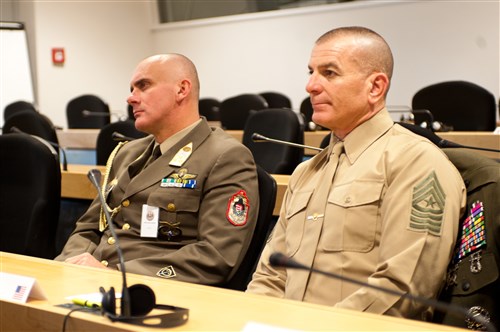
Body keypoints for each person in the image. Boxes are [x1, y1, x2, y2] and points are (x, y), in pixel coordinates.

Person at [246, 26, 466, 320]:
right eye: (311, 72)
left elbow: (403, 289)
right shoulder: (306, 172)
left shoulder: (417, 164)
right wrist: (253, 321)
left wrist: (312, 327)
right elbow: (270, 276)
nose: (311, 86)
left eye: (329, 73)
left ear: (375, 87)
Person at [56, 54, 259, 286]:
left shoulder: (225, 156)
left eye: (143, 86)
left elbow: (216, 256)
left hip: (155, 292)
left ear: (182, 89)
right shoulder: (126, 153)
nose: (131, 98)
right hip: (92, 283)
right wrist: (68, 265)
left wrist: (114, 273)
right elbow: (89, 228)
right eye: (132, 88)